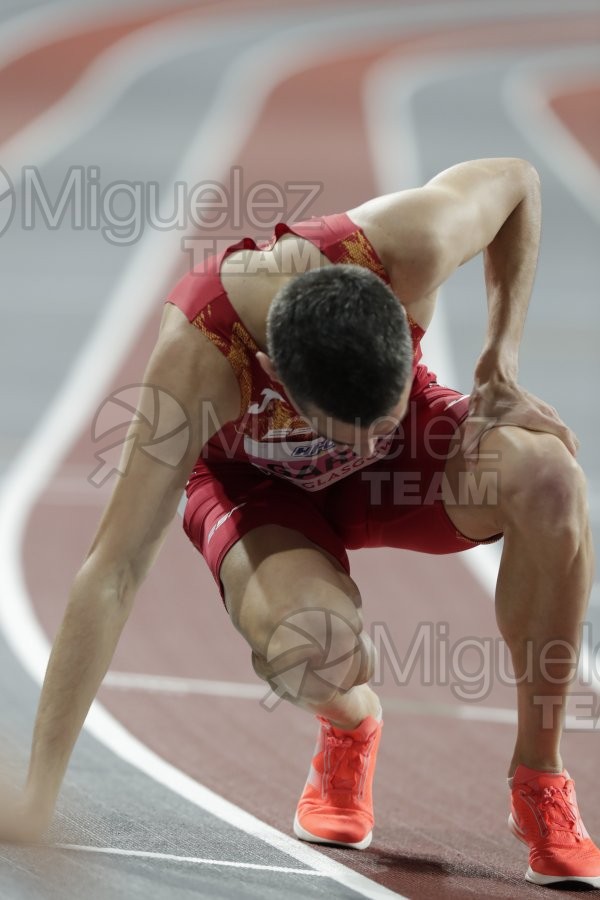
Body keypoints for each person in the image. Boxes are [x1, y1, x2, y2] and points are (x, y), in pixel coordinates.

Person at [1, 158, 598, 888]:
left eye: (375, 423)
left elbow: (517, 184)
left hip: (401, 469)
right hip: (258, 488)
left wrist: (498, 364)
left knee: (552, 481)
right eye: (349, 432)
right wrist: (38, 794)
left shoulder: (405, 246)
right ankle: (349, 721)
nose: (361, 445)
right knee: (308, 648)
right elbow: (111, 571)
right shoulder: (195, 365)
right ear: (276, 375)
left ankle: (540, 778)